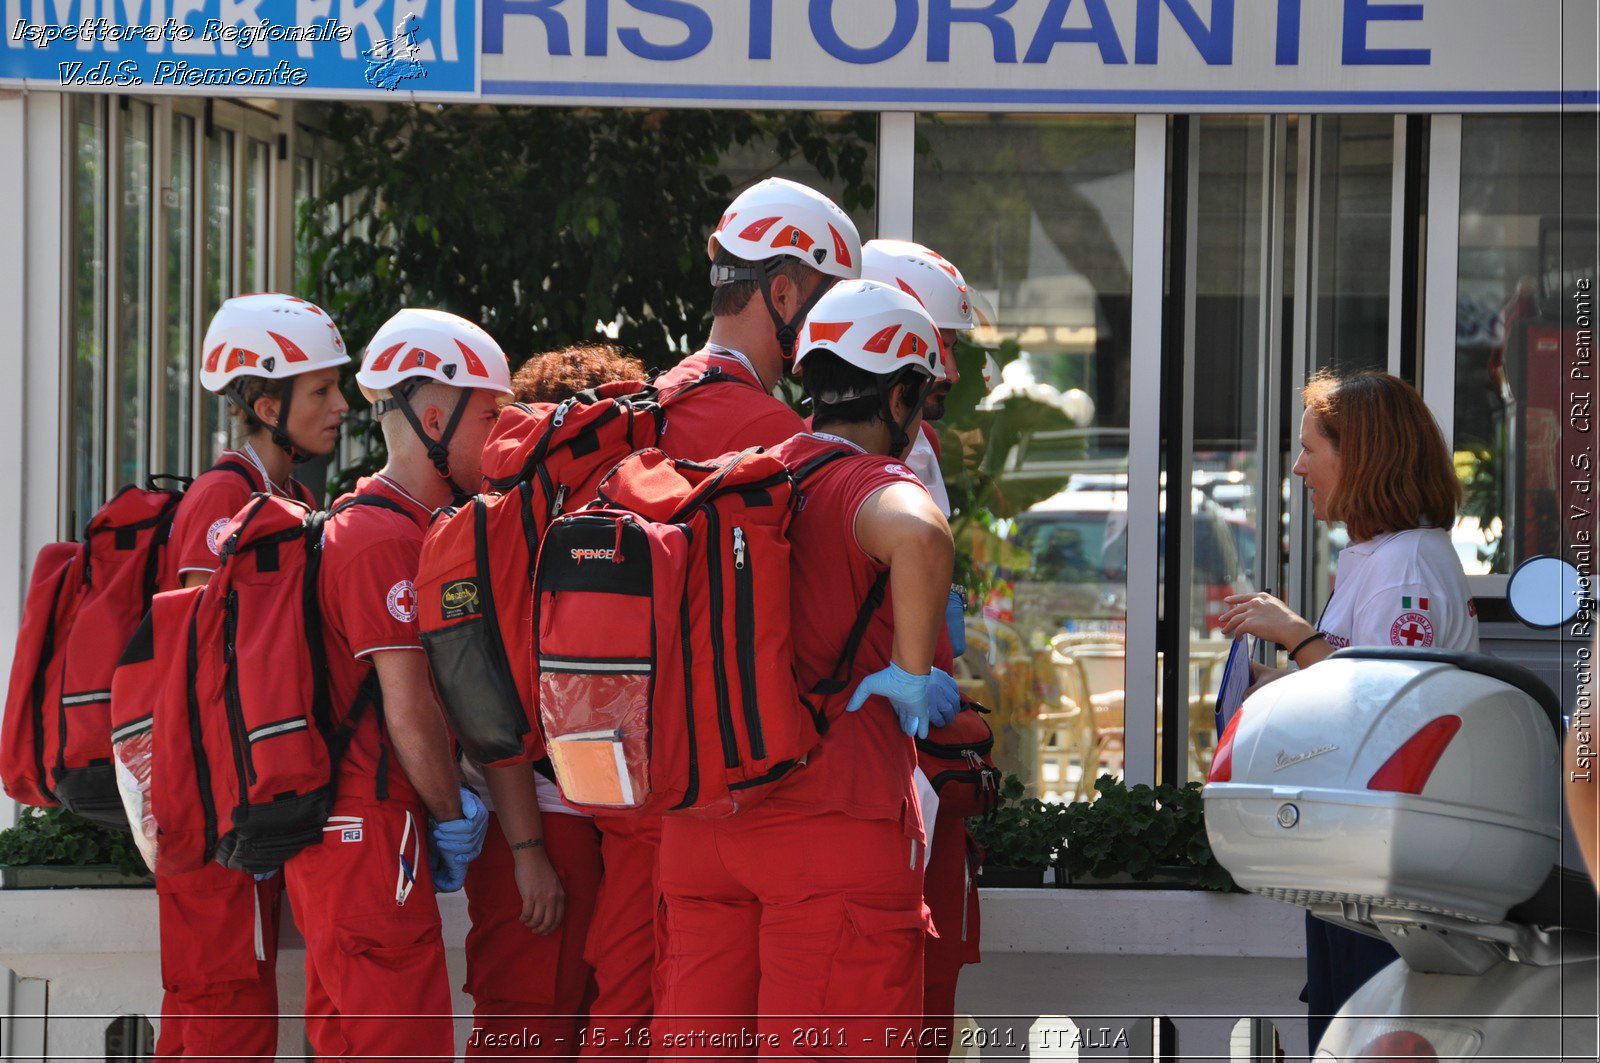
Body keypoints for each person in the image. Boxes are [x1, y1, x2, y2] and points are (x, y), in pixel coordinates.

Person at [578, 177, 862, 1059]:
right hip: (736, 787)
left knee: (645, 1015)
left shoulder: (638, 412)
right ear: (783, 292)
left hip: (620, 774)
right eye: (827, 300)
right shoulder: (777, 436)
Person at [653, 279, 959, 1059]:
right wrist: (912, 670)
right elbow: (922, 538)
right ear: (900, 399)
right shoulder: (865, 482)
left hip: (707, 829)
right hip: (831, 831)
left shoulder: (742, 475)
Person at [1217, 368, 1478, 1051]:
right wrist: (1276, 675)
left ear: (1361, 456)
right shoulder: (1378, 555)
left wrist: (1294, 634)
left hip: (1390, 869)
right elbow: (1352, 675)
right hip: (1358, 858)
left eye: (1311, 450)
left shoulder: (1406, 565)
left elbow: (1388, 703)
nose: (1299, 467)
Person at [278, 308, 509, 1061]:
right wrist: (450, 812)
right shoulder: (380, 535)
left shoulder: (398, 522)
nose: (500, 435)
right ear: (434, 417)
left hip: (359, 833)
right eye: (490, 415)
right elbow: (407, 707)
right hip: (371, 831)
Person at [154, 292, 350, 1060]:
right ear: (267, 403)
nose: (340, 405)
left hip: (247, 806)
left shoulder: (291, 498)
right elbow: (201, 678)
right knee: (223, 1018)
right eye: (321, 391)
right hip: (212, 813)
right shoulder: (223, 499)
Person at [462, 343, 648, 1059]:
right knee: (539, 1023)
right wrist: (529, 850)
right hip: (551, 824)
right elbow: (494, 706)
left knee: (535, 1025)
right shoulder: (590, 532)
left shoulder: (496, 525)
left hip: (551, 820)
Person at [860, 239, 984, 1061]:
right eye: (938, 354)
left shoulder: (915, 445)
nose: (946, 378)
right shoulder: (866, 450)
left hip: (912, 764)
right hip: (870, 764)